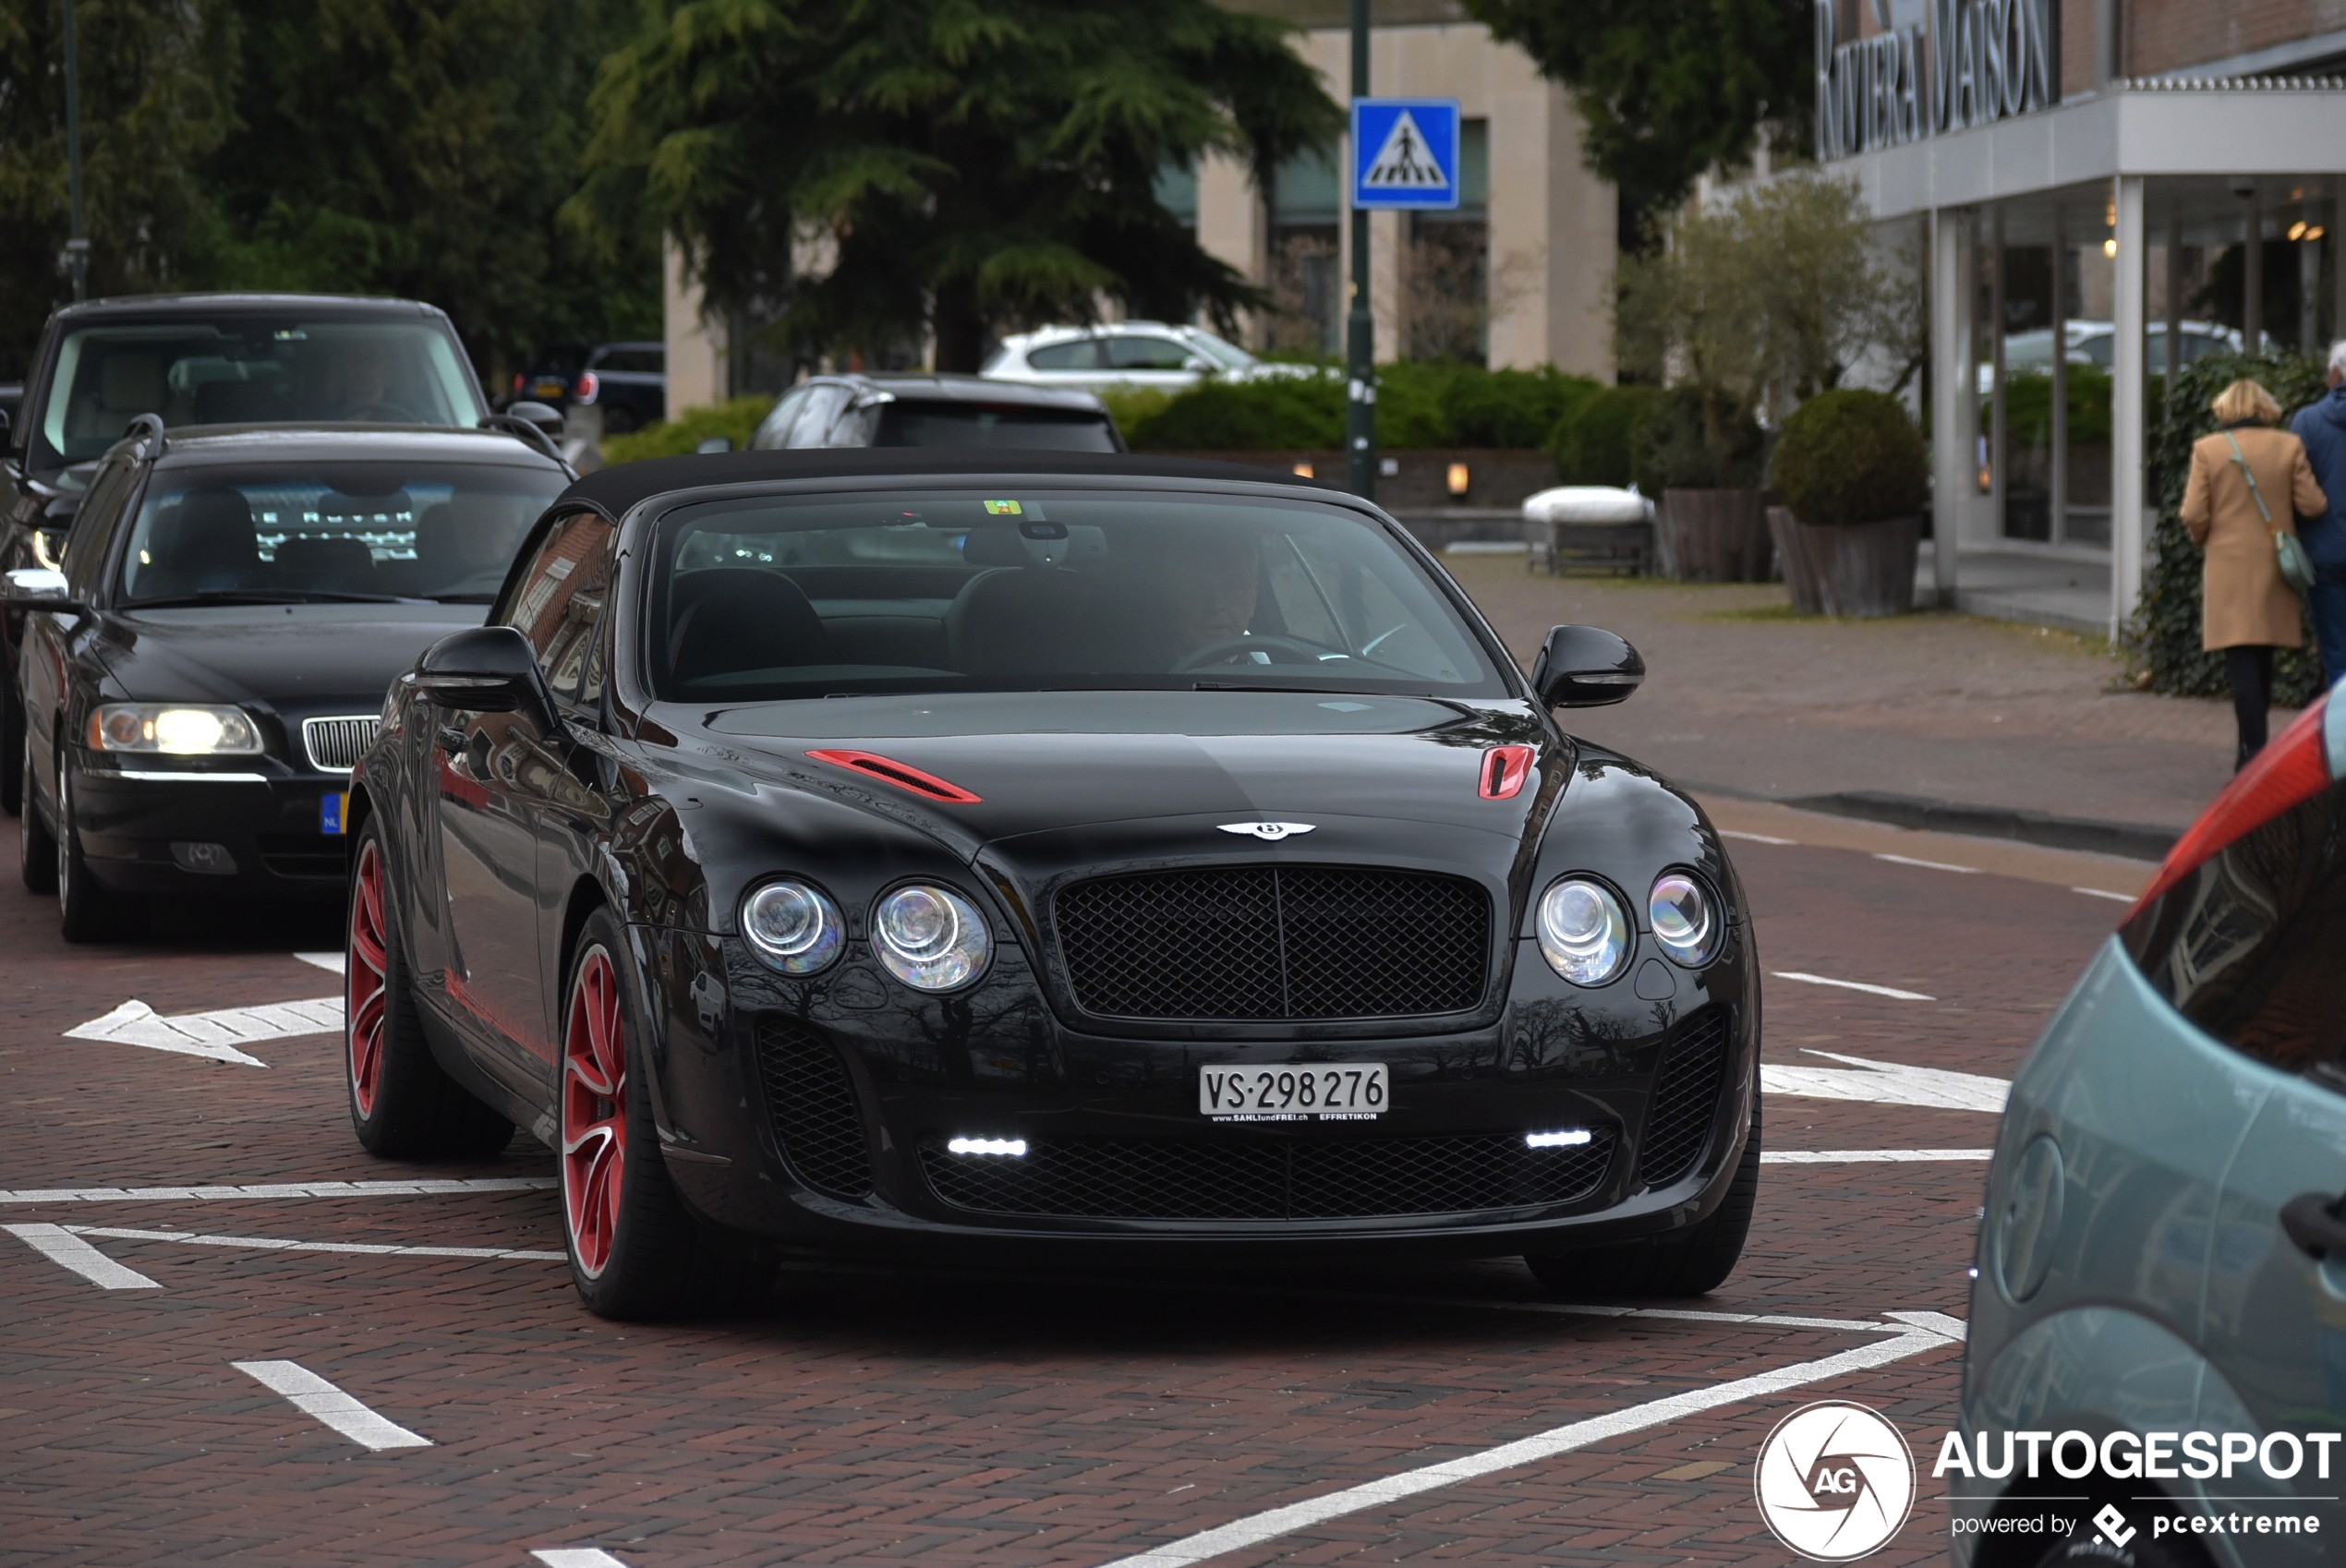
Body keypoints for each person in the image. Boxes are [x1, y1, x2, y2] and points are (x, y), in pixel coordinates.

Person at [2182, 379, 2327, 768]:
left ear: (2225, 409)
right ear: (2266, 408)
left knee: (2240, 660)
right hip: (2274, 566)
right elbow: (2312, 504)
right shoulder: (2288, 446)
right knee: (2263, 659)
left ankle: (2252, 758)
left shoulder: (2208, 450)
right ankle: (2252, 754)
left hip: (2228, 569)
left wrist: (2205, 539)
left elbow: (2193, 513)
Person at [2288, 339, 2346, 685]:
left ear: (2335, 374)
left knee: (2337, 650)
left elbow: (2294, 490)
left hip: (2325, 552)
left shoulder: (2306, 422)